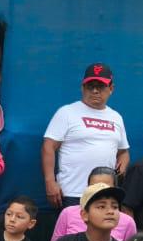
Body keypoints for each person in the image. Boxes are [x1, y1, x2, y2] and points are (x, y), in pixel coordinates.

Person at [42, 63, 129, 208]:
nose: (95, 91)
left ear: (111, 89)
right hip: (72, 192)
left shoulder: (116, 117)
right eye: (90, 86)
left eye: (100, 86)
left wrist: (122, 166)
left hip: (104, 193)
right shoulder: (67, 112)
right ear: (82, 88)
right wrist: (50, 182)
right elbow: (48, 147)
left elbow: (123, 151)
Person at [48, 167, 137, 241]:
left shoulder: (127, 222)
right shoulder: (68, 213)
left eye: (105, 187)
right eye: (94, 187)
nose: (99, 191)